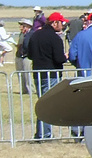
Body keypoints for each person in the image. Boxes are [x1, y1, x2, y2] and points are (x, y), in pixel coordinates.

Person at [26, 11, 68, 139]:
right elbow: (59, 58)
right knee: (48, 105)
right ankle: (45, 134)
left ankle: (41, 133)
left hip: (38, 73)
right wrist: (65, 57)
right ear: (55, 23)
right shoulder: (55, 38)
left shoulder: (35, 35)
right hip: (51, 74)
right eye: (61, 23)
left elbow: (30, 55)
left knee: (42, 103)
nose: (62, 25)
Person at [68, 12, 92, 139]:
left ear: (88, 21)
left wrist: (79, 65)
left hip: (85, 75)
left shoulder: (80, 36)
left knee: (85, 106)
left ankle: (81, 132)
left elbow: (72, 55)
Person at [14, 18, 34, 93]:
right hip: (19, 55)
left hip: (27, 56)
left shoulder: (31, 34)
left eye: (22, 25)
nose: (21, 27)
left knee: (27, 74)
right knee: (20, 74)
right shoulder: (21, 34)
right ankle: (23, 90)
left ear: (27, 26)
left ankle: (30, 90)